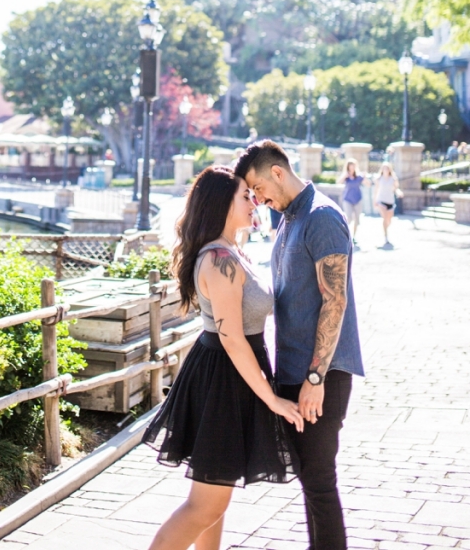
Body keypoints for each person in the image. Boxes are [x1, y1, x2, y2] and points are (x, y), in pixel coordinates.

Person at [144, 166, 302, 550]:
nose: (254, 202)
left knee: (216, 496)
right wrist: (273, 399)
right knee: (206, 504)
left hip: (232, 374)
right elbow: (232, 338)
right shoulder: (218, 259)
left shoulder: (232, 250)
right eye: (245, 196)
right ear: (221, 205)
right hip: (223, 377)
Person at [235, 141, 364, 550]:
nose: (258, 199)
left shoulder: (321, 216)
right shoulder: (287, 218)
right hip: (294, 371)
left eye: (257, 189)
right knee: (311, 479)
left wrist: (314, 376)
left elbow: (335, 299)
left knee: (320, 481)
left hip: (320, 374)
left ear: (277, 172)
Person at [373, 162, 401, 248]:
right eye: (384, 168)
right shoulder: (379, 179)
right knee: (385, 219)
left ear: (390, 170)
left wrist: (399, 192)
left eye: (387, 168)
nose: (386, 170)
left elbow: (396, 189)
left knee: (389, 220)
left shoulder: (393, 179)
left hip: (390, 201)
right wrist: (374, 201)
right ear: (382, 169)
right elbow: (376, 190)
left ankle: (385, 230)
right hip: (381, 200)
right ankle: (386, 237)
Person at [340, 159, 365, 243]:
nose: (352, 167)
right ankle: (344, 234)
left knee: (357, 220)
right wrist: (344, 176)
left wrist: (365, 177)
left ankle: (353, 237)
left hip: (358, 199)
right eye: (351, 166)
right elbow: (338, 182)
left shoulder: (359, 176)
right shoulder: (346, 176)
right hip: (347, 199)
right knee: (349, 217)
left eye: (353, 165)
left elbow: (368, 184)